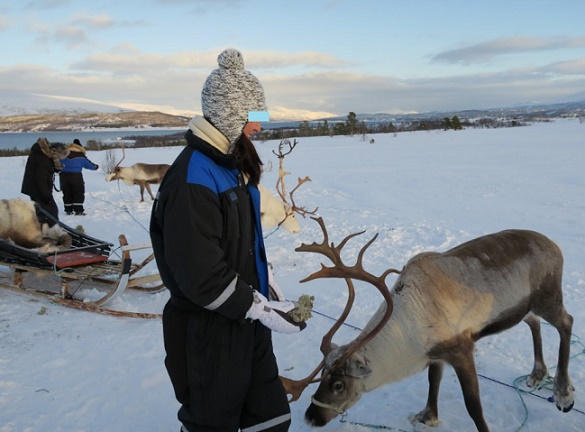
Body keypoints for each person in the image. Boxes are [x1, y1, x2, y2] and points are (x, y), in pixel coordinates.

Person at [150, 48, 306, 432]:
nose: (260, 128)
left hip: (244, 321)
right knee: (213, 424)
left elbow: (238, 244)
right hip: (208, 335)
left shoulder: (229, 168)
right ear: (231, 116)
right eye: (255, 117)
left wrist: (265, 283)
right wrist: (260, 308)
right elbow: (200, 275)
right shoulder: (193, 180)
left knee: (269, 418)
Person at [21, 137, 69, 223]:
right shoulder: (43, 159)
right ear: (55, 153)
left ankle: (43, 229)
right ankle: (50, 231)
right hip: (38, 190)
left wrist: (55, 168)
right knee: (51, 212)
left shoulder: (42, 155)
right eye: (59, 157)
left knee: (42, 212)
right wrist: (46, 196)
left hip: (34, 189)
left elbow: (46, 170)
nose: (59, 159)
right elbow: (40, 179)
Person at [59, 138, 99, 215]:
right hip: (76, 176)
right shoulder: (81, 157)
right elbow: (90, 165)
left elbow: (56, 164)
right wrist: (96, 166)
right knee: (78, 192)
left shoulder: (63, 155)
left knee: (67, 193)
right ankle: (78, 211)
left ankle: (68, 210)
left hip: (64, 176)